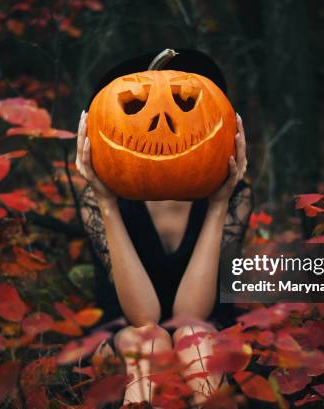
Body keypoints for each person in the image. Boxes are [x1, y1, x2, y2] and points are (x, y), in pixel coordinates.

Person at [75, 50, 252, 407]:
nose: (162, 123)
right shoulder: (102, 200)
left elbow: (190, 314)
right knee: (149, 340)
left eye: (185, 102)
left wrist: (219, 205)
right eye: (135, 107)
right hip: (124, 335)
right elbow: (144, 318)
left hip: (206, 330)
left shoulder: (233, 197)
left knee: (195, 334)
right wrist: (107, 202)